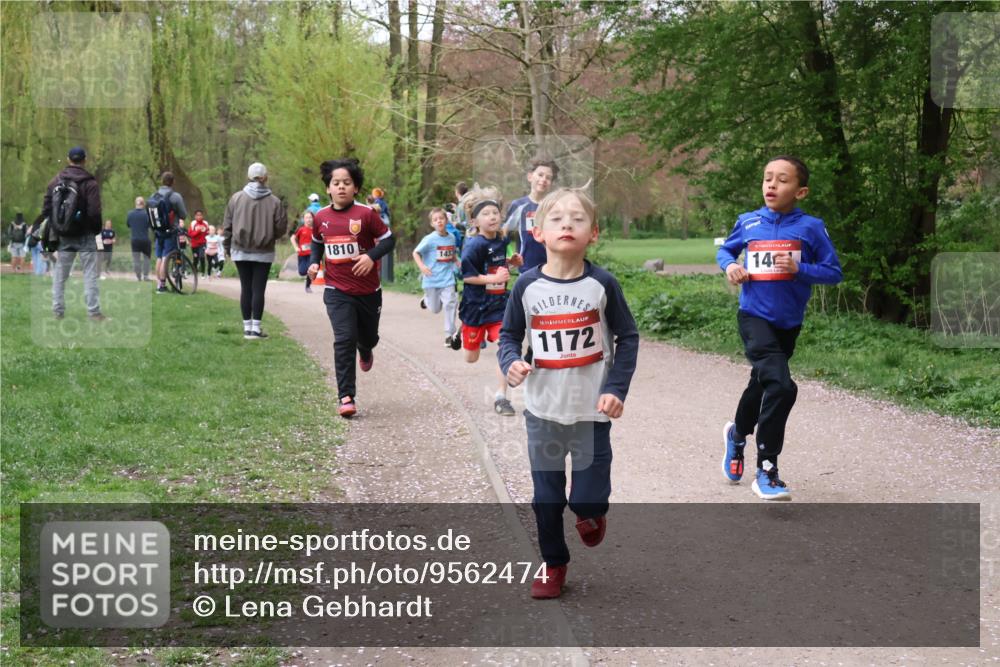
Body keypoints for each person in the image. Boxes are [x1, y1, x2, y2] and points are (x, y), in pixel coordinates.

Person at [498, 187, 639, 599]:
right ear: (538, 232)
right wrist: (510, 362)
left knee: (588, 500)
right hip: (543, 411)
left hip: (591, 413)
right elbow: (509, 335)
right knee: (546, 499)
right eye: (556, 219)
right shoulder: (526, 286)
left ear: (593, 233)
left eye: (577, 219)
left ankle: (592, 513)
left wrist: (616, 388)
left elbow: (627, 337)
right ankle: (553, 563)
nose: (567, 224)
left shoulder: (602, 284)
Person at [716, 155, 842, 501]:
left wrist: (800, 269)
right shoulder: (749, 222)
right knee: (783, 387)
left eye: (782, 180)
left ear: (801, 191)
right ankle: (767, 469)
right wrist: (730, 267)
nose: (771, 184)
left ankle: (737, 436)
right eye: (767, 178)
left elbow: (833, 272)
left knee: (761, 384)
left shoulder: (811, 228)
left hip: (788, 323)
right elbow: (726, 251)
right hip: (754, 317)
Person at [307, 158, 394, 418]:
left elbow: (389, 240)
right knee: (344, 339)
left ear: (355, 188)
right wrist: (313, 263)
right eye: (336, 183)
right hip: (337, 290)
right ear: (328, 188)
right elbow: (316, 243)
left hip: (368, 291)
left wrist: (371, 256)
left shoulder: (366, 214)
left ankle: (365, 348)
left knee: (368, 338)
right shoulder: (321, 216)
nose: (341, 187)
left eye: (347, 183)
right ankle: (346, 396)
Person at [458, 185, 523, 415]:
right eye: (486, 214)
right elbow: (467, 277)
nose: (492, 217)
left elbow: (497, 261)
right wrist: (492, 278)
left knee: (505, 347)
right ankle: (462, 331)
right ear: (475, 222)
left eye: (495, 213)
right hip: (475, 308)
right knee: (470, 358)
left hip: (498, 307)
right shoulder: (473, 246)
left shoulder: (502, 239)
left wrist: (511, 262)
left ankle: (501, 397)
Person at [223, 162, 288, 339]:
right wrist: (269, 235)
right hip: (264, 251)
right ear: (265, 178)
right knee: (259, 289)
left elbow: (227, 226)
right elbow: (281, 227)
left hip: (240, 249)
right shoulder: (275, 202)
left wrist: (227, 247)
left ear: (248, 177)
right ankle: (256, 329)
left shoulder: (236, 199)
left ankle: (246, 328)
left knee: (246, 288)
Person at [42, 146, 104, 320]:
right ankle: (94, 312)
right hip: (85, 234)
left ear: (69, 160)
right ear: (84, 160)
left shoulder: (55, 181)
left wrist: (58, 227)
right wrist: (95, 229)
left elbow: (46, 209)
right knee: (90, 273)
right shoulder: (90, 183)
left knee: (60, 274)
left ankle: (57, 311)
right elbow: (94, 212)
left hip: (64, 235)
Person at [413, 207, 461, 349]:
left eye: (441, 218)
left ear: (446, 220)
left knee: (450, 304)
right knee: (435, 309)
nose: (439, 221)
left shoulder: (451, 238)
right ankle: (426, 300)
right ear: (432, 224)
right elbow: (416, 253)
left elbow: (451, 254)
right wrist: (422, 267)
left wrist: (456, 260)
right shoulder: (429, 239)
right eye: (435, 219)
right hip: (432, 279)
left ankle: (449, 335)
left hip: (447, 279)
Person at [503, 158, 559, 273]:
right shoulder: (518, 205)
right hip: (526, 269)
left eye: (548, 178)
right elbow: (503, 234)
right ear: (530, 177)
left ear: (551, 183)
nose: (543, 179)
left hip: (553, 268)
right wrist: (509, 256)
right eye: (540, 175)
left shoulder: (556, 207)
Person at [152, 171, 188, 294]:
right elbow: (183, 214)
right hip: (170, 231)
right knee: (165, 257)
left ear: (162, 181)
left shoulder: (154, 195)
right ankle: (162, 286)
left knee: (159, 257)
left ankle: (158, 283)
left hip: (157, 231)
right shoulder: (175, 196)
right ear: (173, 182)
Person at [126, 196, 151, 281]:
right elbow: (149, 225)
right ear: (143, 204)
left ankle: (138, 275)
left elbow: (128, 225)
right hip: (145, 239)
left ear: (135, 203)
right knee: (146, 258)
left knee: (136, 259)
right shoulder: (147, 214)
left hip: (135, 239)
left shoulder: (130, 214)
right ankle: (146, 276)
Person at [291, 210, 316, 293]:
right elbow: (292, 238)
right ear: (304, 219)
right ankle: (306, 279)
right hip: (302, 254)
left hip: (311, 254)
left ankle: (308, 286)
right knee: (302, 272)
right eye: (306, 218)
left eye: (310, 217)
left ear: (313, 219)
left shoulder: (316, 230)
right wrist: (296, 247)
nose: (308, 219)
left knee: (310, 269)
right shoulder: (301, 229)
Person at [188, 210, 209, 276]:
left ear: (202, 216)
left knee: (202, 256)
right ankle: (195, 271)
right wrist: (199, 231)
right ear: (195, 216)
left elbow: (208, 232)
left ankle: (203, 272)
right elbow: (190, 234)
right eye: (197, 215)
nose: (199, 216)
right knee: (196, 258)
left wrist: (207, 233)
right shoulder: (193, 223)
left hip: (202, 243)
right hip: (194, 244)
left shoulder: (205, 223)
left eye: (200, 215)